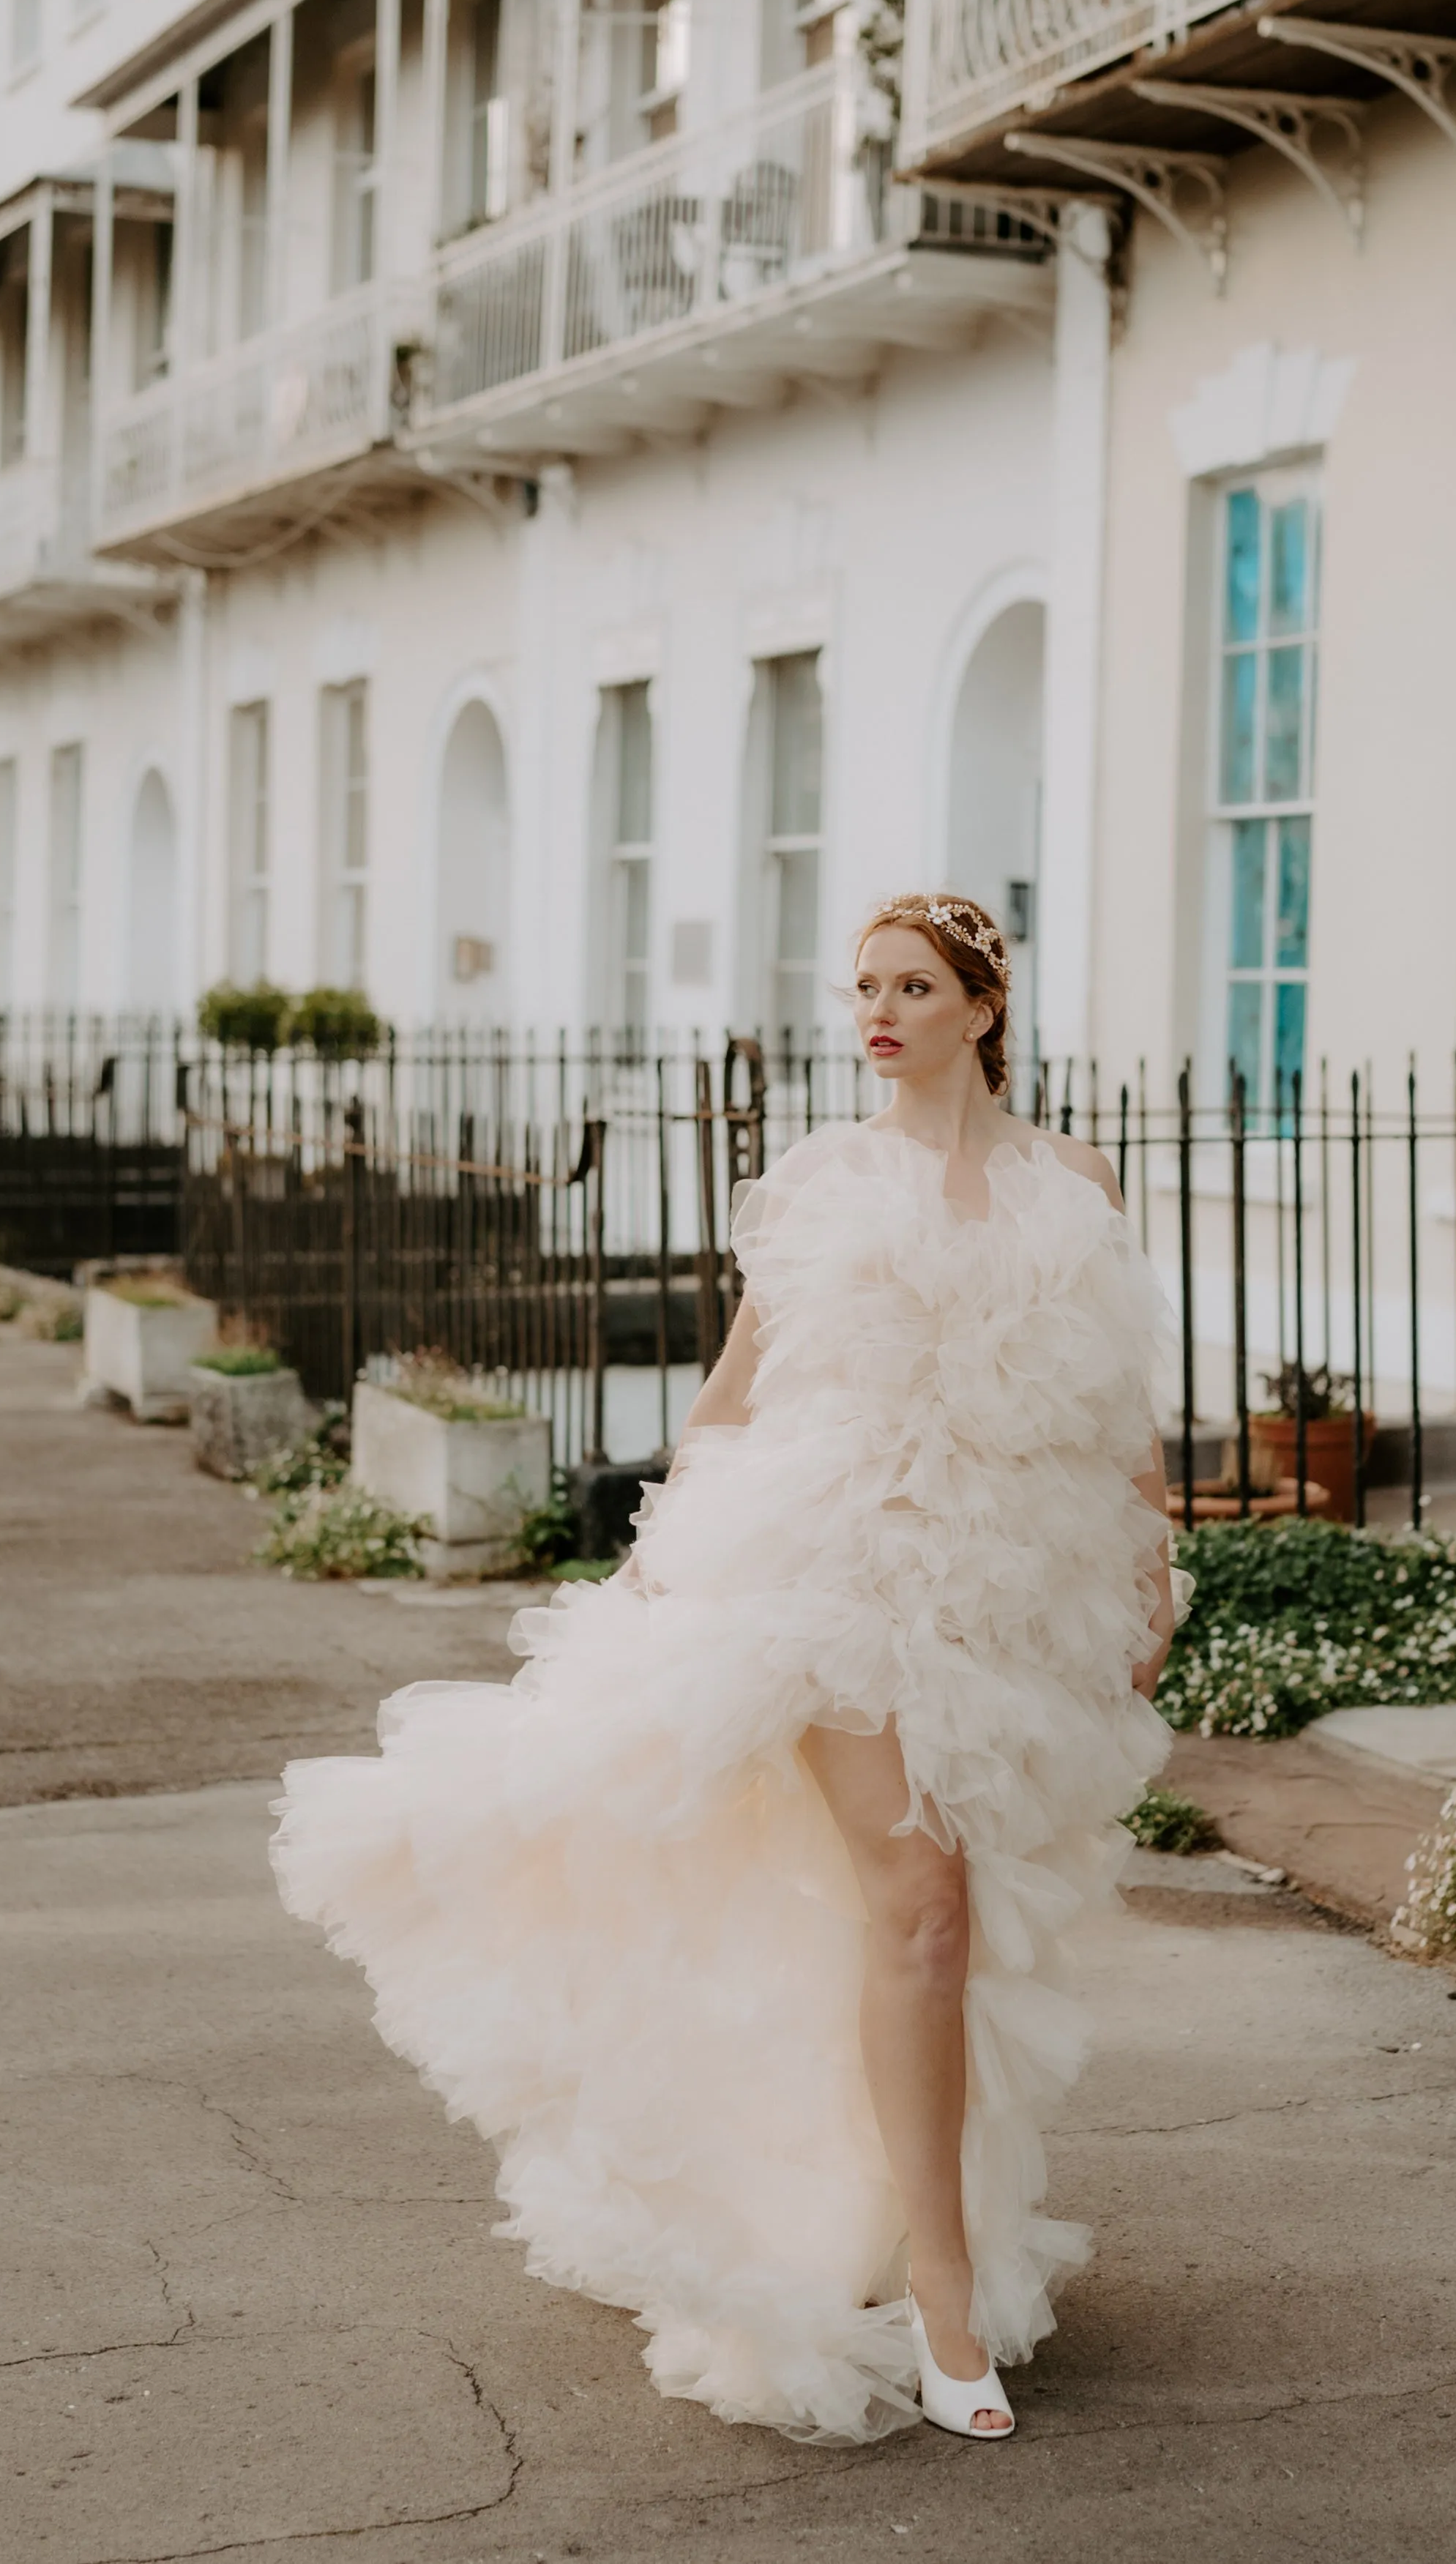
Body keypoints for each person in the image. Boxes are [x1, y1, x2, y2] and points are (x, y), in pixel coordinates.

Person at [272, 894, 1180, 2445]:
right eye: (864, 987)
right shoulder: (825, 1178)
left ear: (982, 1005)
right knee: (923, 1900)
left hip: (1002, 1588)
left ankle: (863, 2212)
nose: (876, 1011)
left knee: (940, 1927)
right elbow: (733, 1398)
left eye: (911, 985)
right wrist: (661, 1569)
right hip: (821, 1569)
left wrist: (1158, 1548)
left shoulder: (1072, 1183)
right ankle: (945, 2291)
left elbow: (1115, 1401)